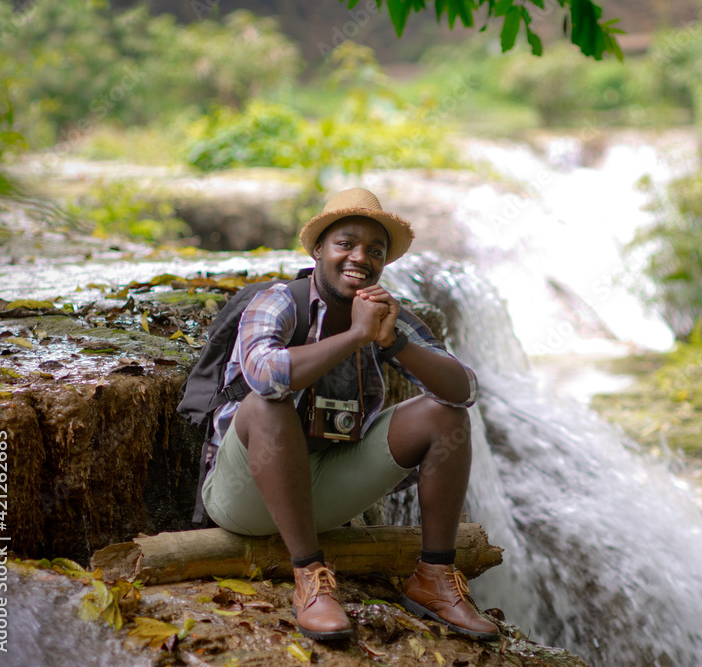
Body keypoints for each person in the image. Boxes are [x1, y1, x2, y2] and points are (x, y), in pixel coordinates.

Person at [199, 188, 499, 641]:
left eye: (374, 251)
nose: (359, 257)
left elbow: (465, 390)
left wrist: (394, 342)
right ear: (319, 249)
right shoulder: (277, 301)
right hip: (247, 495)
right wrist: (356, 335)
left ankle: (434, 576)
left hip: (329, 490)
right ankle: (310, 577)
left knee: (446, 414)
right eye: (345, 244)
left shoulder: (387, 315)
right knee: (268, 402)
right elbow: (264, 375)